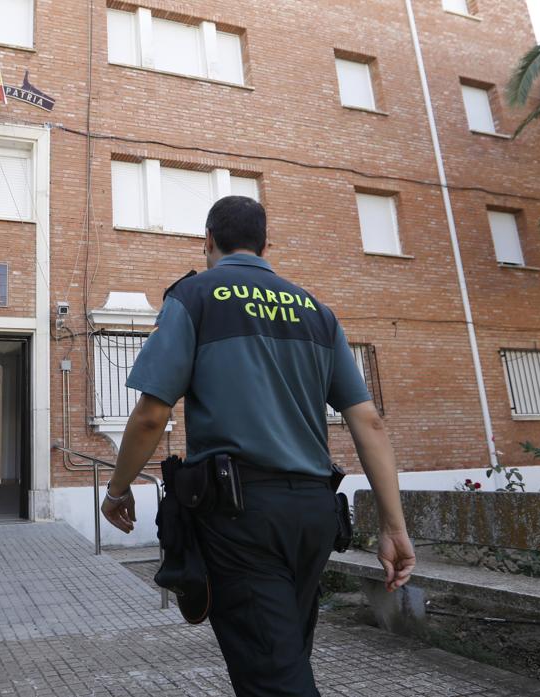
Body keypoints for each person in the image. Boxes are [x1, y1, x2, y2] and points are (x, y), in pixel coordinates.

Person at [100, 195, 416, 696]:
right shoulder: (316, 311)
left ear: (207, 241)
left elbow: (152, 415)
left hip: (241, 519)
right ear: (266, 245)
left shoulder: (195, 296)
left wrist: (117, 491)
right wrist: (394, 527)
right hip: (314, 515)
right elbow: (369, 423)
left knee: (274, 678)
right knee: (283, 658)